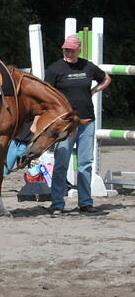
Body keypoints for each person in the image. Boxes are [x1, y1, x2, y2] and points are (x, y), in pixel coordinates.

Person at [45, 33, 111, 216]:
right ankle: (57, 203)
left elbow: (106, 78)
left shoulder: (88, 66)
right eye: (66, 49)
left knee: (85, 164)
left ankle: (85, 202)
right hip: (65, 124)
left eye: (72, 50)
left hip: (87, 121)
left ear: (78, 50)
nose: (68, 53)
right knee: (61, 164)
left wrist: (94, 90)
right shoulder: (54, 69)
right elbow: (46, 94)